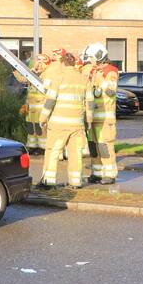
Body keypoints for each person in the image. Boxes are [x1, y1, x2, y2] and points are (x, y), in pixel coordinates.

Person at [38, 52, 94, 189]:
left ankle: (48, 181)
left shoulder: (58, 78)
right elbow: (90, 103)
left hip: (58, 125)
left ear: (63, 63)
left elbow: (50, 101)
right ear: (74, 63)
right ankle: (76, 182)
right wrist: (89, 121)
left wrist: (42, 118)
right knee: (75, 153)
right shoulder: (84, 80)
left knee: (53, 152)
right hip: (77, 125)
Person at [89, 62, 120, 184]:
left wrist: (101, 81)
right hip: (93, 119)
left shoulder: (111, 72)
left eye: (91, 58)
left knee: (105, 147)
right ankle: (97, 174)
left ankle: (110, 175)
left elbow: (111, 91)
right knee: (94, 148)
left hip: (105, 120)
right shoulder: (95, 71)